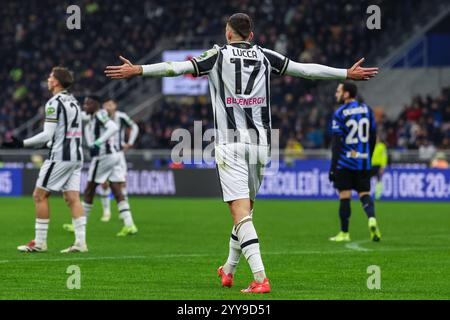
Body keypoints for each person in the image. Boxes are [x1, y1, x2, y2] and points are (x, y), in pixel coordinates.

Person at [105, 13, 378, 293]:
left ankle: (261, 279)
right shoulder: (265, 55)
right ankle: (229, 269)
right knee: (245, 212)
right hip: (261, 144)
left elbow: (175, 67)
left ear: (228, 33)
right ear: (251, 35)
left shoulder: (217, 55)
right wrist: (345, 74)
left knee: (240, 213)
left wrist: (139, 69)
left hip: (230, 143)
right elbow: (306, 70)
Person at [2, 67, 87, 253]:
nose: (48, 79)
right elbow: (65, 133)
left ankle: (40, 243)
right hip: (76, 156)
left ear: (56, 81)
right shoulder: (73, 101)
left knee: (39, 196)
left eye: (50, 76)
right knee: (72, 198)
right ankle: (81, 243)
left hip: (60, 157)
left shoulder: (53, 103)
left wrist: (22, 143)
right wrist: (48, 144)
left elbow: (47, 134)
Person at [63, 96, 138, 236]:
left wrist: (98, 142)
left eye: (88, 104)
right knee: (116, 189)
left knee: (89, 189)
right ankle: (130, 225)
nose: (85, 106)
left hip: (104, 157)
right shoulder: (92, 116)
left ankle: (78, 224)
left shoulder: (99, 115)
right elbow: (80, 115)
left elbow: (113, 127)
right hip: (114, 156)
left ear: (95, 105)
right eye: (84, 104)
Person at [328, 82, 382, 243]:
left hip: (345, 162)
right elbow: (373, 137)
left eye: (338, 91)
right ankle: (371, 218)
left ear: (346, 94)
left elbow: (336, 143)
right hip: (364, 162)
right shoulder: (367, 110)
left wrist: (332, 168)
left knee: (345, 195)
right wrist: (367, 156)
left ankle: (344, 233)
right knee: (364, 194)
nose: (336, 94)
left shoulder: (340, 113)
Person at [97, 98, 139, 222]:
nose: (108, 107)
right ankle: (106, 212)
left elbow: (135, 127)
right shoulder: (100, 117)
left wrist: (130, 143)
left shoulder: (122, 117)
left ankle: (124, 211)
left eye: (110, 104)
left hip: (119, 154)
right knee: (104, 183)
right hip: (104, 154)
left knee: (122, 183)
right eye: (106, 105)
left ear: (115, 105)